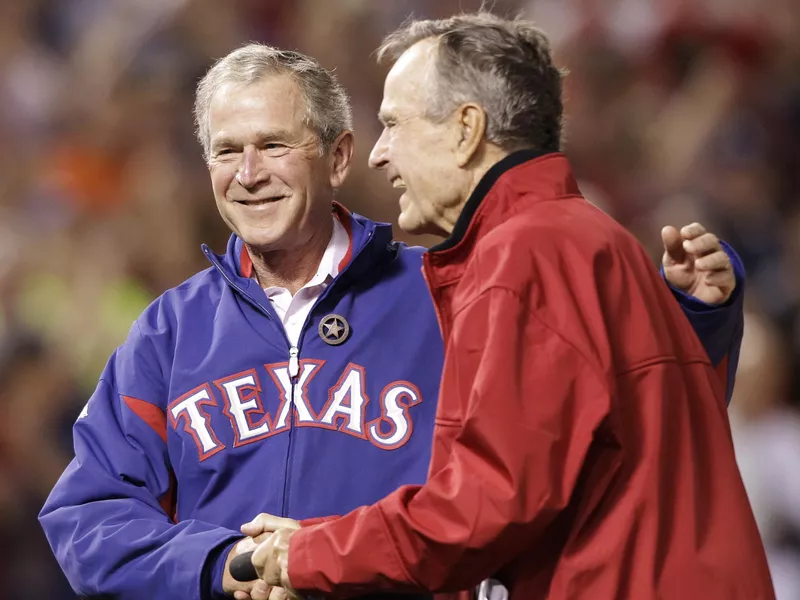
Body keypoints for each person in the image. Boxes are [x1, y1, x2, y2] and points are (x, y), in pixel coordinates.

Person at [39, 42, 746, 600]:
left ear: (340, 156)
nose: (249, 173)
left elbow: (623, 426)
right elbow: (87, 516)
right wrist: (228, 564)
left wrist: (695, 321)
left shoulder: (450, 290)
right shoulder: (171, 330)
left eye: (275, 145)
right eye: (227, 151)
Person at [242, 14, 775, 600]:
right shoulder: (584, 238)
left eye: (394, 124)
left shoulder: (528, 253)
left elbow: (487, 505)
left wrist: (311, 554)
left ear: (467, 129)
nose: (379, 155)